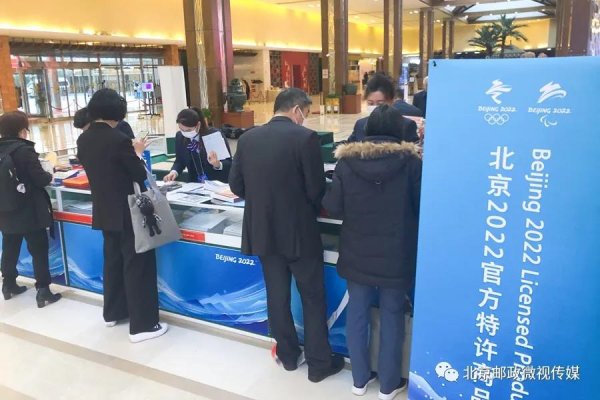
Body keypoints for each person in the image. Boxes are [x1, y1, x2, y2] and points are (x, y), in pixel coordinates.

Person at [229, 88, 344, 383]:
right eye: (306, 113)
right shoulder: (305, 139)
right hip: (299, 233)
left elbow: (237, 186)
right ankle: (319, 364)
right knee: (312, 297)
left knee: (276, 296)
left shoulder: (248, 138)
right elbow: (315, 190)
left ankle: (289, 356)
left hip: (263, 233)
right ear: (296, 110)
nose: (305, 119)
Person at [323, 105, 421, 400]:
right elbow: (421, 207)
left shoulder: (346, 163)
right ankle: (389, 385)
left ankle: (359, 380)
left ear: (367, 130)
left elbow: (335, 207)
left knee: (357, 314)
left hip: (357, 252)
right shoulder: (411, 163)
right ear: (398, 130)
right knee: (392, 316)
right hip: (397, 254)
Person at [76, 89, 168, 343]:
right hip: (128, 211)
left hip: (103, 210)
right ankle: (143, 325)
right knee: (138, 265)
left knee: (113, 262)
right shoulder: (118, 139)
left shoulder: (84, 139)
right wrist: (137, 152)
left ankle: (113, 312)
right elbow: (137, 173)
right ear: (118, 112)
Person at [0, 111, 62, 307]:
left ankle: (8, 284)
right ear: (22, 130)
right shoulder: (24, 150)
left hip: (5, 208)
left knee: (10, 247)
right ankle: (43, 290)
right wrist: (49, 175)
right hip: (29, 209)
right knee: (38, 249)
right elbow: (40, 179)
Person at [163, 107, 232, 183]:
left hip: (217, 183)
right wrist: (174, 172)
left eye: (189, 130)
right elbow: (179, 161)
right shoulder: (180, 136)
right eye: (181, 129)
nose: (185, 133)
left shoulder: (214, 135)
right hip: (194, 183)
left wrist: (218, 164)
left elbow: (229, 163)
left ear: (198, 125)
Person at [348, 74, 418, 143]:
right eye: (371, 103)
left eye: (380, 104)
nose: (375, 107)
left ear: (392, 101)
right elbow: (349, 145)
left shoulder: (406, 125)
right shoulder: (360, 124)